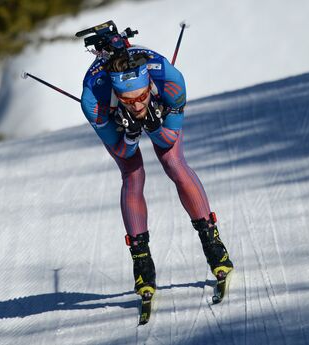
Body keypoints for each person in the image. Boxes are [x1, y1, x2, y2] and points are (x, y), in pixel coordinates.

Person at [80, 44, 233, 298]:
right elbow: (123, 154)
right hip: (110, 110)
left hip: (157, 100)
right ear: (117, 95)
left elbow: (167, 140)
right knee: (132, 173)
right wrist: (129, 137)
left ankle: (215, 247)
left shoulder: (170, 81)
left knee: (173, 162)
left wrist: (153, 127)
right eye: (129, 101)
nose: (137, 106)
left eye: (141, 97)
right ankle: (142, 265)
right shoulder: (93, 101)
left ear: (149, 84)